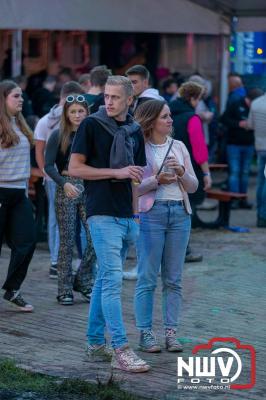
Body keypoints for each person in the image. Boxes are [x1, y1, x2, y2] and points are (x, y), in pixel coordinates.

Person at [69, 75, 150, 373]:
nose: (109, 102)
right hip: (100, 212)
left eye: (116, 97)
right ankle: (121, 348)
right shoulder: (91, 125)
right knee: (113, 282)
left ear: (130, 100)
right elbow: (74, 168)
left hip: (126, 216)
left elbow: (136, 177)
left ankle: (94, 343)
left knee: (104, 280)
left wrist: (136, 216)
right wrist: (114, 173)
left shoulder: (134, 130)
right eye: (106, 96)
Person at [134, 99, 198, 352]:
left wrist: (181, 172)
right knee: (147, 278)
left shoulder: (179, 146)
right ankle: (145, 333)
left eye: (170, 116)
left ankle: (171, 333)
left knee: (174, 279)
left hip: (180, 214)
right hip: (152, 214)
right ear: (150, 121)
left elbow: (193, 186)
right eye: (165, 117)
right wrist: (156, 180)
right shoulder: (140, 147)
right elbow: (133, 189)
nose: (171, 120)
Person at [44, 94, 96, 305]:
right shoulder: (59, 135)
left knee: (95, 237)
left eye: (80, 111)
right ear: (66, 113)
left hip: (89, 186)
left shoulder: (93, 134)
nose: (76, 115)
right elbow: (48, 166)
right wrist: (63, 183)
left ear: (87, 113)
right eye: (72, 111)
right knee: (66, 241)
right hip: (66, 185)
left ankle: (82, 280)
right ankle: (64, 289)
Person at [35, 81, 84, 278]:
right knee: (58, 220)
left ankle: (65, 262)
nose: (76, 113)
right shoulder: (47, 122)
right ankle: (56, 262)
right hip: (57, 177)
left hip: (76, 177)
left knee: (70, 222)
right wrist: (47, 175)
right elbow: (41, 151)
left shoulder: (82, 124)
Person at [0, 80, 36, 312]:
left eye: (21, 95)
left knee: (27, 241)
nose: (21, 99)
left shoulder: (20, 125)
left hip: (19, 193)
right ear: (3, 99)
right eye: (15, 96)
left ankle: (12, 289)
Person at [170, 81, 212, 261]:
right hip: (188, 170)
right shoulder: (191, 118)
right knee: (186, 212)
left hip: (167, 165)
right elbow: (199, 149)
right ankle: (184, 250)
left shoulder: (168, 112)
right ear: (193, 98)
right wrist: (206, 173)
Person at [221, 84, 254, 209]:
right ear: (248, 99)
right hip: (234, 144)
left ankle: (243, 199)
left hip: (249, 144)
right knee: (235, 172)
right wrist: (238, 123)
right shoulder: (235, 104)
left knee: (245, 173)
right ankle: (234, 199)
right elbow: (223, 119)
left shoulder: (254, 108)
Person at [248, 89, 266, 227]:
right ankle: (263, 215)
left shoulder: (255, 103)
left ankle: (260, 215)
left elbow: (250, 125)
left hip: (260, 146)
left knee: (261, 181)